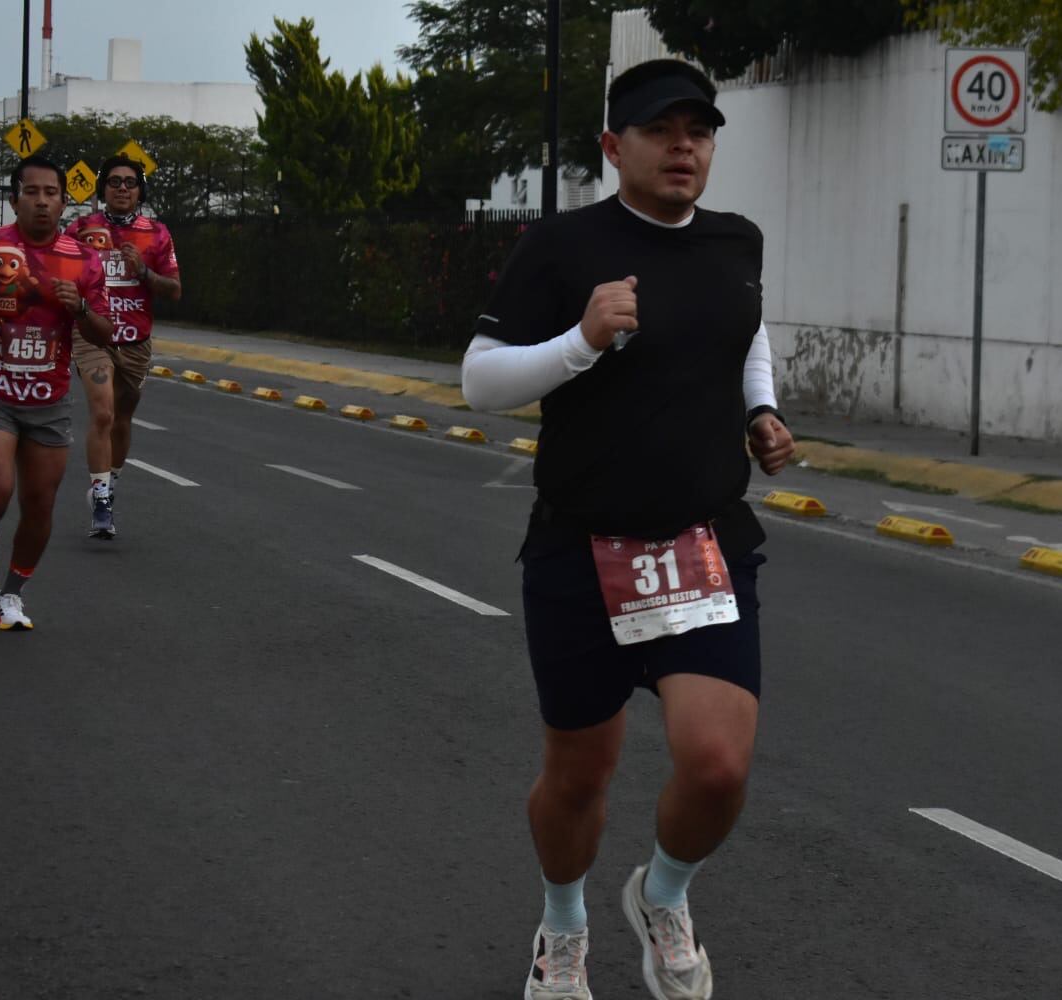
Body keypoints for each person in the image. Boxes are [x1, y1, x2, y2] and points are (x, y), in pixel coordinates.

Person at [462, 59, 794, 1000]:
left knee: (718, 767)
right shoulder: (563, 247)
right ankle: (563, 925)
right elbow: (479, 380)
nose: (684, 147)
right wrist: (581, 342)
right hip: (583, 548)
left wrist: (760, 409)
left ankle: (662, 895)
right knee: (580, 775)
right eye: (660, 131)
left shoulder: (736, 241)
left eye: (699, 131)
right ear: (615, 146)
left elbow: (746, 329)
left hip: (699, 543)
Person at [0, 154, 113, 628]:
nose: (41, 202)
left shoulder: (83, 260)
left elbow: (104, 333)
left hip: (48, 402)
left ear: (64, 202)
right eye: (31, 192)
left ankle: (10, 596)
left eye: (51, 193)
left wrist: (80, 310)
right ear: (14, 201)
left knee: (39, 506)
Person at [65, 155, 181, 538]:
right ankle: (100, 502)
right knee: (102, 413)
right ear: (103, 189)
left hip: (136, 342)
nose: (122, 189)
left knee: (122, 418)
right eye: (114, 182)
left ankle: (110, 483)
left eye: (130, 182)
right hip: (92, 334)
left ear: (140, 191)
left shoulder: (156, 233)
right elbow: (57, 273)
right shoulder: (80, 229)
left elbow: (175, 290)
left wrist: (143, 272)